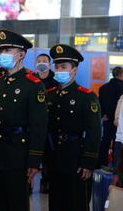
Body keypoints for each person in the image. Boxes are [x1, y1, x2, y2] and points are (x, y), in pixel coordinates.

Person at [0, 29, 47, 211]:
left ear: (21, 55)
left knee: (16, 202)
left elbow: (39, 125)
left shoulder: (33, 84)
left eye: (7, 51)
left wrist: (34, 160)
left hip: (18, 153)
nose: (2, 54)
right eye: (0, 51)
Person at [46, 44, 101, 211]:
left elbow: (94, 131)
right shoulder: (50, 94)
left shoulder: (85, 96)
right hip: (54, 157)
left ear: (74, 69)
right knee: (56, 202)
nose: (59, 70)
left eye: (64, 66)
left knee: (76, 202)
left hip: (76, 157)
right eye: (57, 66)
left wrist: (88, 162)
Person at [34, 53, 58, 193]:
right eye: (39, 61)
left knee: (49, 158)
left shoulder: (56, 80)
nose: (41, 63)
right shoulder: (31, 80)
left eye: (44, 61)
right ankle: (29, 183)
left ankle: (46, 182)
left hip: (51, 125)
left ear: (49, 63)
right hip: (35, 124)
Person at [98, 66, 123, 167]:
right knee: (117, 145)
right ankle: (116, 168)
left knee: (105, 142)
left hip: (107, 120)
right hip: (119, 123)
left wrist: (103, 115)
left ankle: (102, 164)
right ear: (121, 75)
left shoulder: (103, 88)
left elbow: (99, 104)